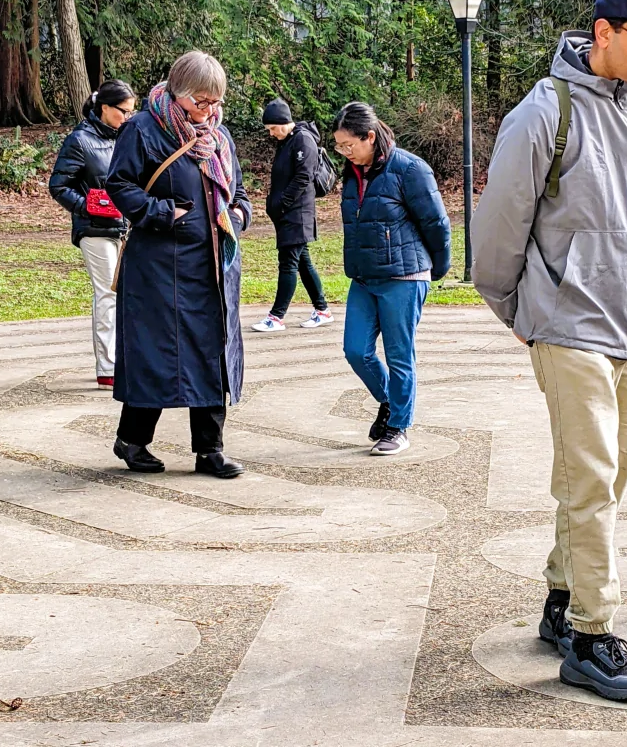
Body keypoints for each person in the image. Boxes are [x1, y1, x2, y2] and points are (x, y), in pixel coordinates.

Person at [472, 0, 627, 701]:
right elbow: (497, 234)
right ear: (603, 32)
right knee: (592, 478)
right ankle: (596, 635)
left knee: (609, 476)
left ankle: (563, 601)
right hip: (570, 325)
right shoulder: (544, 113)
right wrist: (527, 314)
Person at [106, 50, 252, 479]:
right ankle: (132, 440)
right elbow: (119, 183)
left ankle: (210, 450)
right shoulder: (143, 128)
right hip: (158, 266)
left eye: (215, 101)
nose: (208, 110)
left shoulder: (219, 137)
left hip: (213, 266)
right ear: (177, 92)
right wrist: (160, 211)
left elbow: (237, 191)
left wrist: (239, 216)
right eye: (200, 102)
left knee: (213, 354)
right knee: (157, 353)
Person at [333, 101, 451, 456]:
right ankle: (389, 401)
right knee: (356, 350)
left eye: (348, 145)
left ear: (370, 137)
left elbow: (437, 224)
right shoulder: (351, 173)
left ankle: (398, 426)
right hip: (364, 277)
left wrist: (436, 269)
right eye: (338, 145)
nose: (343, 151)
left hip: (405, 277)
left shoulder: (410, 169)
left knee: (400, 355)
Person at [49, 80, 136, 387]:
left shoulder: (127, 138)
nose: (128, 116)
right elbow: (58, 186)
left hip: (126, 228)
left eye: (131, 111)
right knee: (108, 294)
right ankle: (108, 367)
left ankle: (124, 360)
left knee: (127, 294)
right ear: (104, 108)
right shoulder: (79, 140)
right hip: (95, 230)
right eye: (123, 111)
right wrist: (89, 207)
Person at [251, 97, 334, 333]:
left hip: (297, 214)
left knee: (288, 264)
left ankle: (276, 317)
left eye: (272, 128)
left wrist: (281, 204)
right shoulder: (286, 141)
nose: (271, 134)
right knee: (303, 263)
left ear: (283, 122)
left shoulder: (303, 140)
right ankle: (322, 310)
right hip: (289, 214)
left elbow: (303, 178)